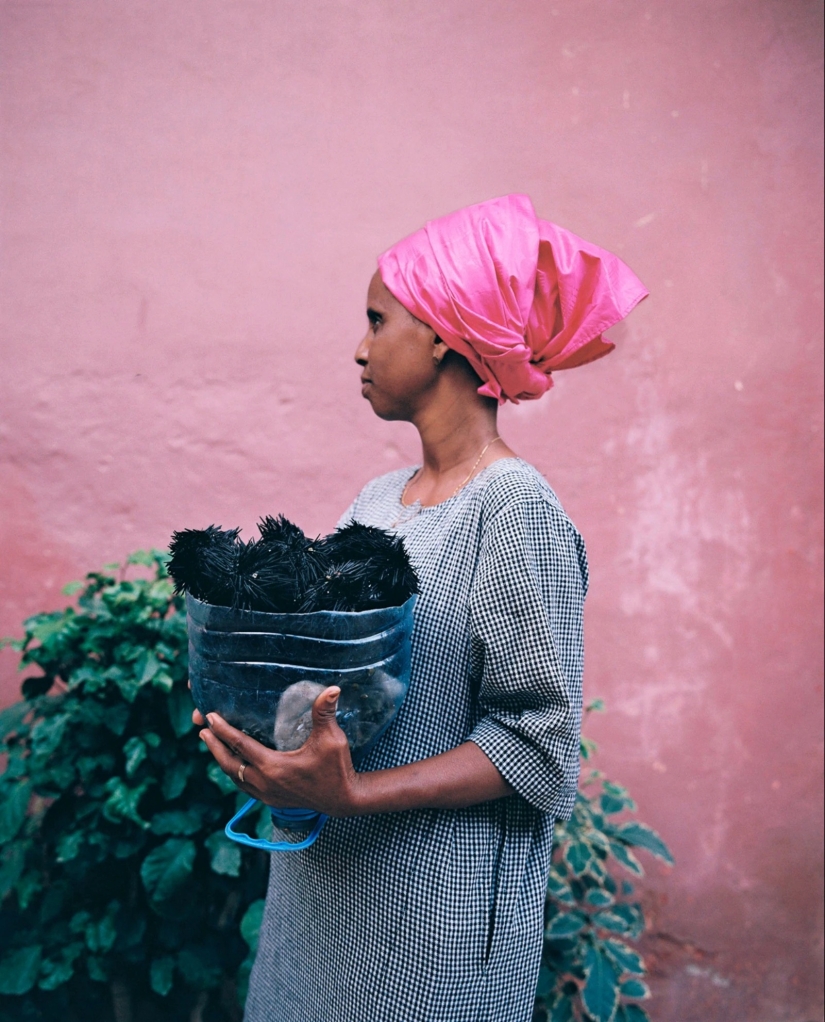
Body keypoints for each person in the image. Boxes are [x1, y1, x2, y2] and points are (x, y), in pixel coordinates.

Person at [196, 194, 647, 1022]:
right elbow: (334, 685)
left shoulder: (513, 511)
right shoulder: (375, 501)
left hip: (429, 939)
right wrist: (271, 730)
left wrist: (356, 795)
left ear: (441, 332)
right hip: (319, 908)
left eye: (376, 320)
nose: (358, 349)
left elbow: (537, 750)